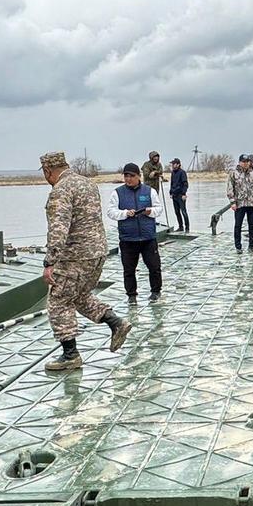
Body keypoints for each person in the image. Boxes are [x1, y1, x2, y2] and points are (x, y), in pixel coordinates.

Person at [40, 152, 132, 371]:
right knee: (79, 296)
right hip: (98, 252)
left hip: (75, 256)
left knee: (58, 301)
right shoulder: (87, 184)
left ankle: (70, 355)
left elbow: (59, 228)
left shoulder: (60, 190)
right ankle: (116, 323)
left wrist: (50, 262)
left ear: (47, 171)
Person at [108, 163, 165, 304]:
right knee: (128, 269)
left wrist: (149, 211)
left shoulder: (150, 191)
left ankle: (156, 292)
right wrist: (125, 213)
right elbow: (111, 212)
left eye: (131, 176)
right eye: (126, 176)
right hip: (128, 238)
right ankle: (131, 295)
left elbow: (159, 208)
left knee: (154, 267)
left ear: (138, 176)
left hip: (148, 237)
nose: (128, 179)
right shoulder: (117, 193)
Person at [227, 154, 253, 252]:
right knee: (238, 225)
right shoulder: (233, 173)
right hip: (239, 204)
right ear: (239, 162)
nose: (245, 163)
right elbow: (230, 188)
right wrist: (232, 202)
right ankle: (238, 246)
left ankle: (252, 245)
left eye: (247, 161)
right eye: (243, 161)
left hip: (251, 204)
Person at [168, 158, 190, 233]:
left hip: (181, 195)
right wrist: (170, 192)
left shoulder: (182, 172)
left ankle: (187, 228)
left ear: (178, 164)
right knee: (177, 212)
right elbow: (172, 183)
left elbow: (185, 184)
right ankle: (181, 227)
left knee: (184, 212)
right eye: (172, 164)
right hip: (174, 195)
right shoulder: (173, 173)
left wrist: (184, 194)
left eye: (174, 164)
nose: (173, 165)